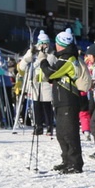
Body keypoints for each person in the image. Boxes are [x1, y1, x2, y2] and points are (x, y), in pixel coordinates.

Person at [39, 29, 87, 173]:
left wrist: (42, 60)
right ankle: (66, 160)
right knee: (61, 133)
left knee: (69, 132)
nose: (56, 46)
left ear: (62, 45)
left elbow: (51, 73)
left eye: (58, 44)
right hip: (60, 100)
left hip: (68, 100)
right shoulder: (62, 58)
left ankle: (75, 163)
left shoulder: (68, 59)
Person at [17, 32, 56, 136]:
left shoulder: (52, 54)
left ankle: (49, 126)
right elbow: (21, 67)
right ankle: (38, 126)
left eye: (46, 43)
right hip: (35, 82)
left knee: (47, 105)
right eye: (42, 43)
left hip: (46, 82)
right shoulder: (32, 52)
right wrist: (26, 59)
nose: (44, 46)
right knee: (36, 105)